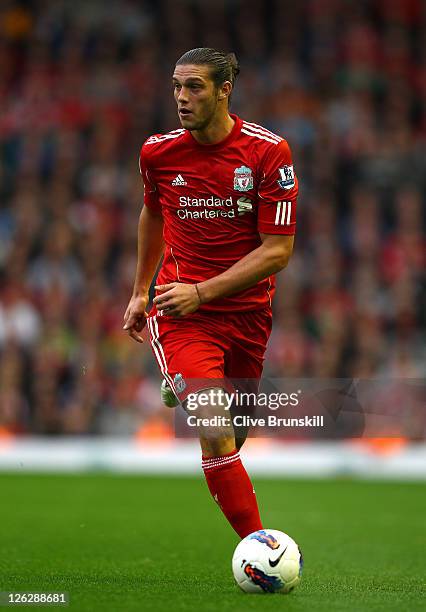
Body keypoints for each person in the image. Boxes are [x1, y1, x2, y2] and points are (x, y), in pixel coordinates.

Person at [123, 48, 298, 539]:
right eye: (177, 86)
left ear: (225, 90)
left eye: (194, 86)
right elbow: (153, 213)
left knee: (235, 437)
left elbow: (278, 252)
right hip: (182, 311)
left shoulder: (268, 153)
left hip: (247, 316)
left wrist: (203, 292)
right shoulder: (157, 152)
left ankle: (184, 384)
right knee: (216, 433)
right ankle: (260, 549)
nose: (182, 97)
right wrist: (141, 291)